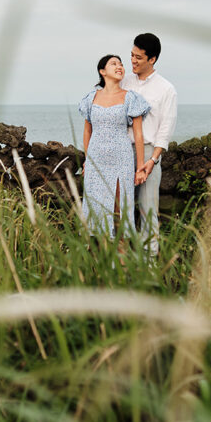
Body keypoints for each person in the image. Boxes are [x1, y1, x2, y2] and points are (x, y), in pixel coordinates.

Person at [78, 54, 151, 238]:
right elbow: (87, 132)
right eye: (114, 64)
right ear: (102, 71)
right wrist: (88, 160)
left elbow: (138, 134)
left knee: (119, 210)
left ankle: (121, 261)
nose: (119, 67)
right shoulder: (90, 98)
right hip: (96, 160)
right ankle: (99, 261)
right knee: (97, 208)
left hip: (121, 159)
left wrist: (140, 166)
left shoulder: (131, 98)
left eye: (121, 64)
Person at [122, 33, 176, 256]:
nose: (133, 61)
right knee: (121, 208)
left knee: (147, 208)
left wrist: (152, 160)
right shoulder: (123, 82)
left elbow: (166, 128)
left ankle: (150, 263)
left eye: (139, 58)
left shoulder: (166, 89)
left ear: (152, 59)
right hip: (122, 150)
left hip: (148, 153)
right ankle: (121, 260)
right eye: (132, 56)